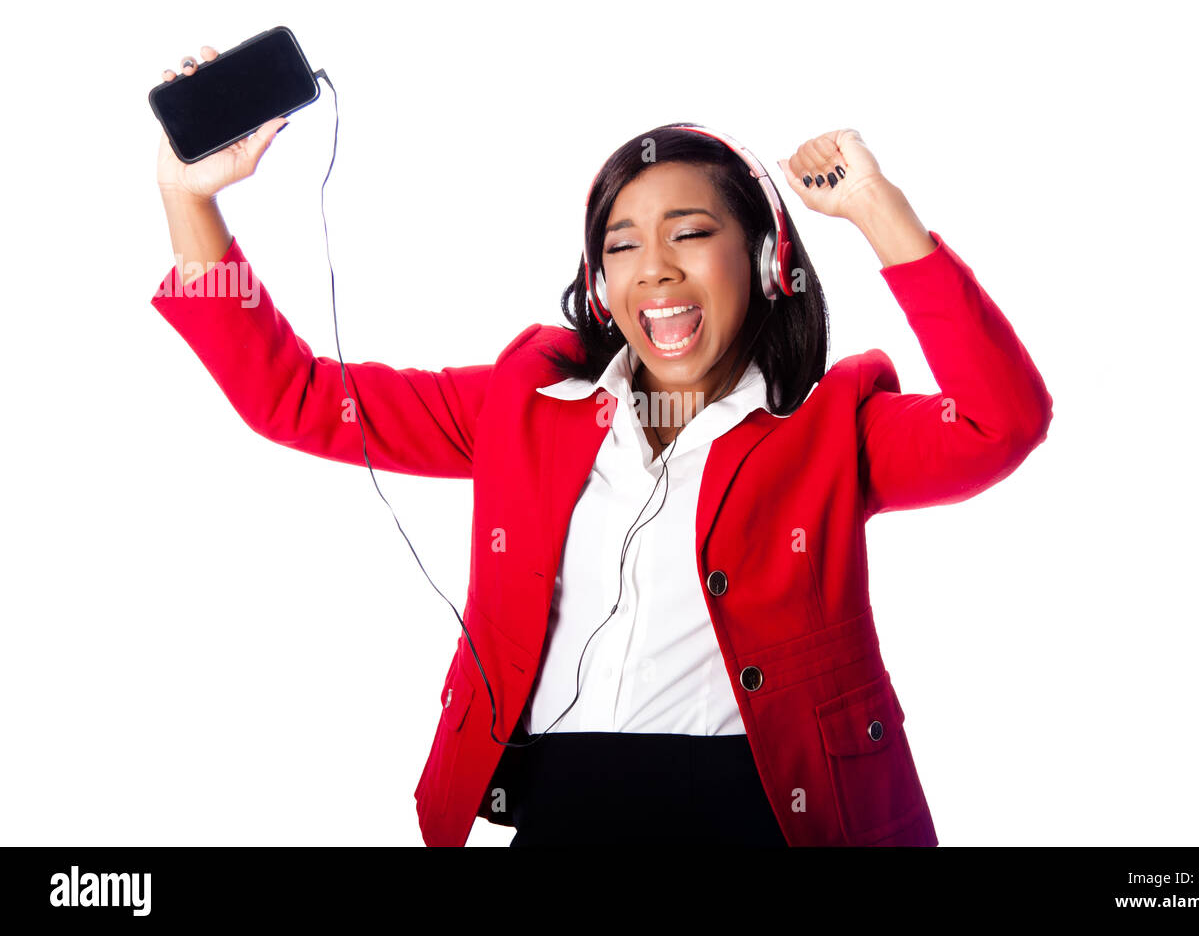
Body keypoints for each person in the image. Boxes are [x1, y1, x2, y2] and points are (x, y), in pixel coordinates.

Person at [153, 44, 1052, 847]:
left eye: (692, 235)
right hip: (565, 811)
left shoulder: (833, 431)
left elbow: (1002, 422)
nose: (654, 268)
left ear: (770, 261)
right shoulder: (520, 409)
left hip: (764, 816)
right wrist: (187, 198)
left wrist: (879, 212)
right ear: (597, 281)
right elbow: (296, 398)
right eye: (622, 246)